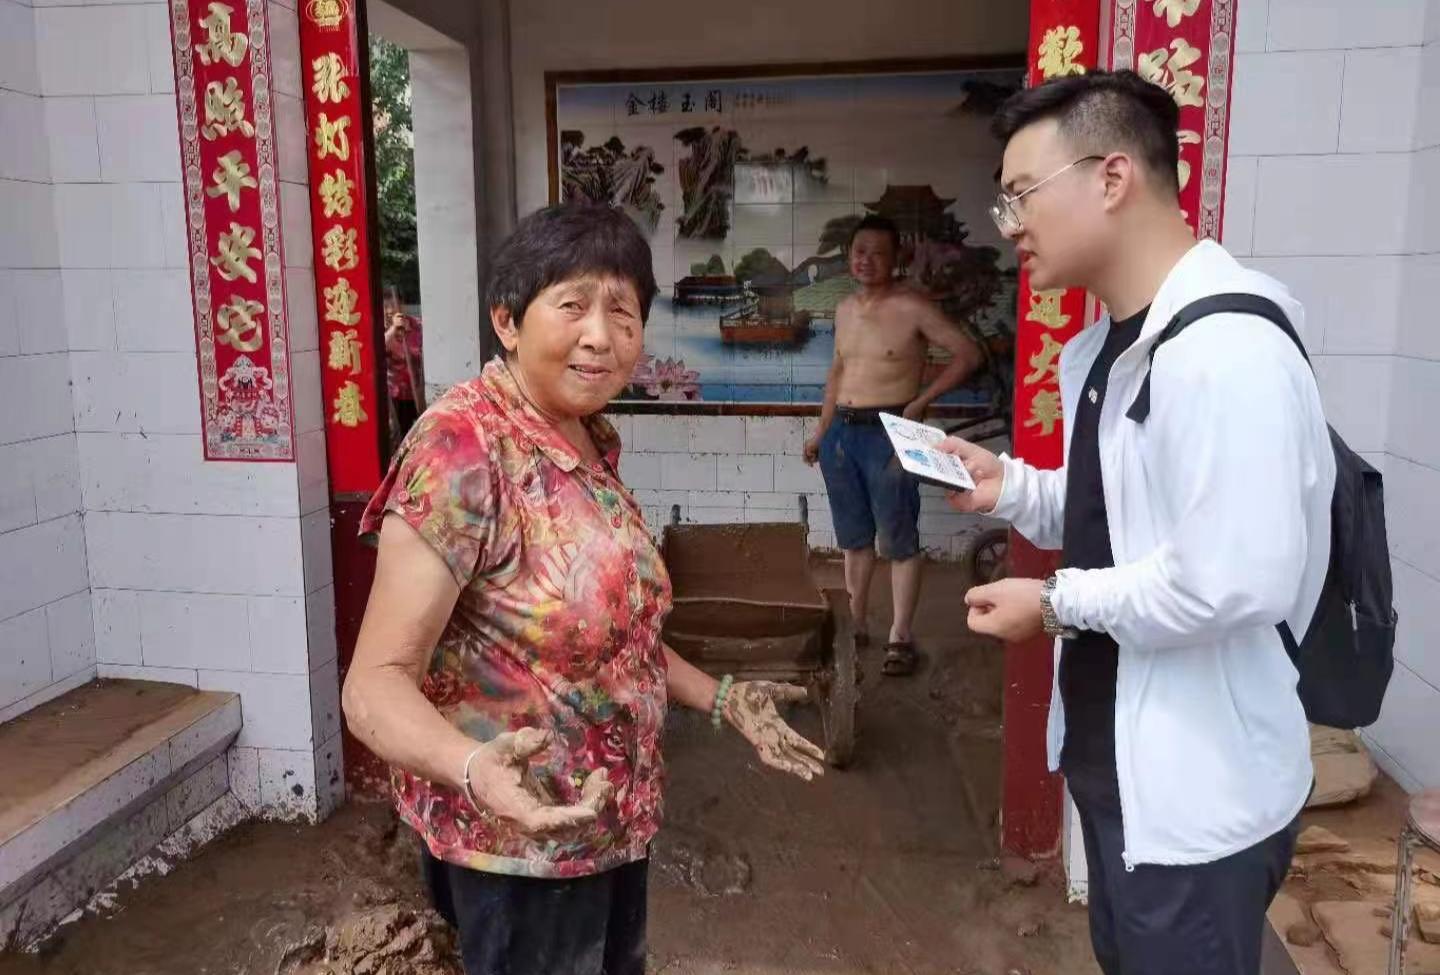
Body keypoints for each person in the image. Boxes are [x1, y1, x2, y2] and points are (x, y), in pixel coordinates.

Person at [342, 204, 825, 975]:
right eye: (572, 305)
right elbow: (372, 685)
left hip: (608, 830)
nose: (601, 334)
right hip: (515, 855)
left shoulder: (582, 435)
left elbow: (609, 634)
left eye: (623, 311)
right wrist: (476, 769)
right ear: (508, 320)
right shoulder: (464, 446)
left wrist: (723, 695)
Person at [941, 71, 1334, 975]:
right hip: (1125, 761)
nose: (1011, 226)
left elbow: (1229, 577)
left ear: (1111, 177)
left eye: (1021, 195)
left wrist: (1052, 602)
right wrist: (1006, 485)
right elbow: (1121, 511)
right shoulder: (1114, 342)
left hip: (1196, 794)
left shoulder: (1223, 352)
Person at [802, 215, 982, 676]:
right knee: (854, 539)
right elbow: (837, 373)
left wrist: (921, 401)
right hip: (842, 433)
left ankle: (900, 635)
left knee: (899, 539)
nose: (866, 259)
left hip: (891, 431)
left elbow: (968, 354)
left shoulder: (913, 306)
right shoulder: (843, 309)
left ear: (896, 259)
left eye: (877, 252)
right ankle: (856, 622)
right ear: (849, 256)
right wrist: (821, 433)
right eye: (859, 250)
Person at [383, 292, 424, 439]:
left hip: (417, 390)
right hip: (396, 395)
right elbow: (378, 349)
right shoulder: (385, 330)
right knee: (402, 434)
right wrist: (394, 329)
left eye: (392, 305)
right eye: (385, 307)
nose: (389, 310)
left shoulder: (417, 325)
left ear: (402, 306)